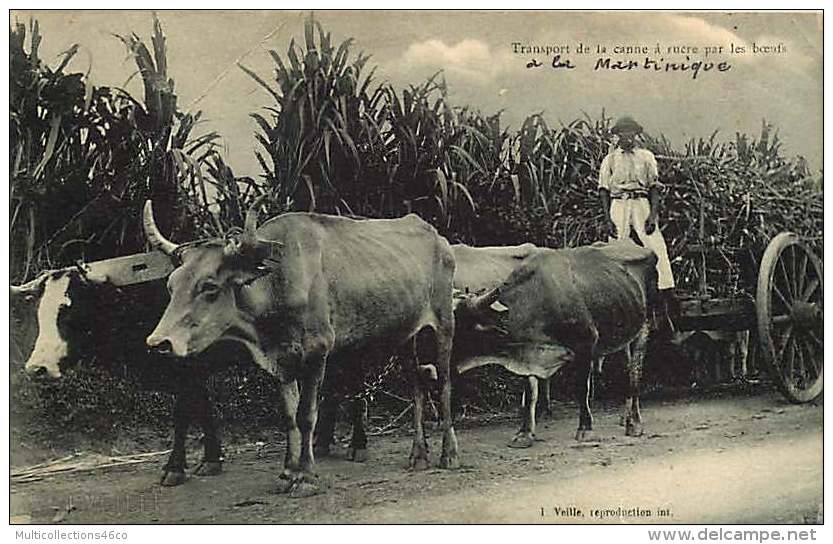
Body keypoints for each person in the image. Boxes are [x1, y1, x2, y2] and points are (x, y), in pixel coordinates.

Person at [599, 116, 676, 329]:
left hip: (641, 202)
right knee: (616, 247)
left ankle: (666, 290)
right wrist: (607, 218)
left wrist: (653, 216)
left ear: (635, 134)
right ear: (617, 136)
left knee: (654, 244)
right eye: (622, 132)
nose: (626, 136)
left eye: (630, 132)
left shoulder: (646, 157)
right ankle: (615, 292)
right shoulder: (610, 160)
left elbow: (654, 187)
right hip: (619, 203)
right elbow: (604, 189)